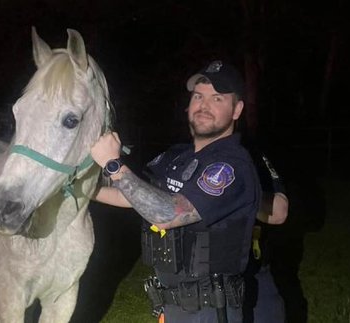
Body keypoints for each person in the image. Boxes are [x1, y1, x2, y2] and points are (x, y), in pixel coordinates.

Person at [91, 60, 261, 323]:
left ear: (237, 110)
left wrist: (113, 165)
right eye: (198, 96)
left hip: (211, 312)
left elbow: (167, 214)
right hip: (171, 308)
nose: (204, 106)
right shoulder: (176, 157)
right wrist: (82, 190)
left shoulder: (230, 166)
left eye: (217, 98)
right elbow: (133, 195)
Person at [242, 147, 289, 323]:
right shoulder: (182, 156)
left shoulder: (256, 156)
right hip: (201, 279)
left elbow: (278, 213)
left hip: (254, 268)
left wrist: (235, 195)